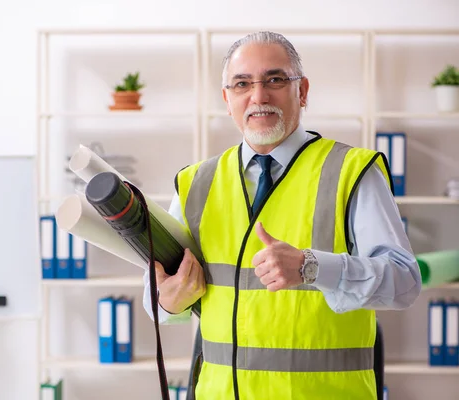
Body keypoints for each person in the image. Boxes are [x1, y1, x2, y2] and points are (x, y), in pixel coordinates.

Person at [142, 31, 421, 400]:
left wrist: (313, 266)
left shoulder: (351, 171)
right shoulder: (195, 182)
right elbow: (157, 297)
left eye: (274, 80)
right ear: (227, 99)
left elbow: (404, 283)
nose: (258, 96)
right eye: (242, 84)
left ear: (302, 91)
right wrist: (166, 301)